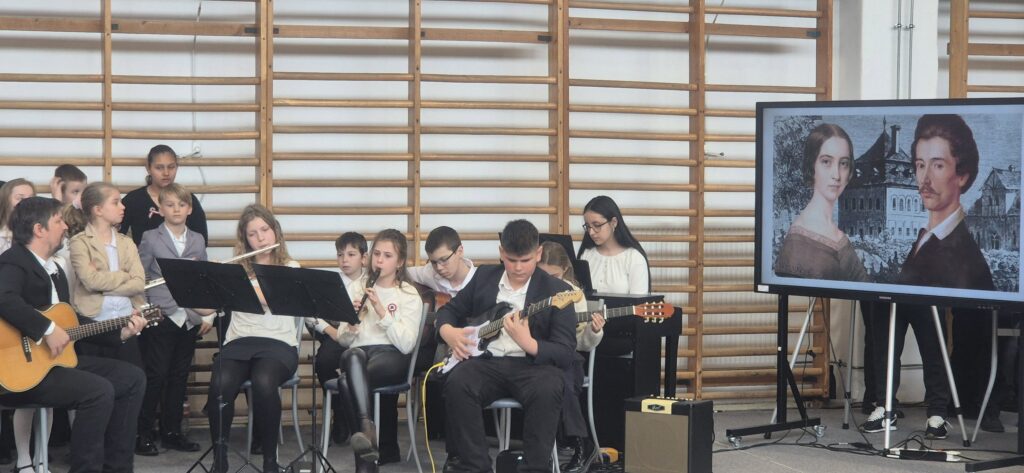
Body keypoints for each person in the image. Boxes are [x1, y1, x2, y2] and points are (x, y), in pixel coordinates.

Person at [862, 114, 995, 439]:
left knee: (933, 348)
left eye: (937, 165)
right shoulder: (923, 235)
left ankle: (937, 413)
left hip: (926, 300)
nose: (924, 178)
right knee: (884, 346)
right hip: (896, 297)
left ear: (961, 175)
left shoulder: (964, 250)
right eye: (920, 165)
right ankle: (884, 406)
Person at [0, 196, 146, 473]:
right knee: (98, 391)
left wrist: (121, 332)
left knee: (132, 378)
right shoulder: (14, 261)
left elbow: (70, 321)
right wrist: (47, 329)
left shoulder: (54, 269)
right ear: (39, 229)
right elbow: (3, 298)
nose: (66, 226)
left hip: (54, 364)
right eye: (58, 221)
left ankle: (117, 468)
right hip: (22, 372)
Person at [437, 219, 576, 473]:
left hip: (533, 367)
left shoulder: (558, 290)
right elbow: (448, 311)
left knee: (549, 387)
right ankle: (475, 466)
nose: (518, 267)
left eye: (525, 260)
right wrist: (449, 332)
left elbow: (565, 353)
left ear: (538, 253)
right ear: (501, 252)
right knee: (458, 382)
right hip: (487, 362)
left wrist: (529, 343)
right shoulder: (483, 277)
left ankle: (535, 469)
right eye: (511, 260)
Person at [207, 204, 301, 473]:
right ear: (245, 239)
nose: (261, 238)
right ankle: (220, 458)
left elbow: (271, 298)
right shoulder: (236, 270)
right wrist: (206, 282)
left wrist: (234, 284)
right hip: (239, 342)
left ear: (275, 231)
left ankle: (270, 460)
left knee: (264, 381)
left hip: (278, 344)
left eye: (265, 230)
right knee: (220, 383)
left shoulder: (290, 267)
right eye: (252, 234)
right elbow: (203, 309)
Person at [323, 229, 424, 473]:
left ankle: (366, 461)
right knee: (351, 355)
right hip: (358, 355)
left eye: (387, 256)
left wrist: (381, 312)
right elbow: (344, 340)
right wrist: (352, 324)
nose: (379, 261)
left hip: (392, 355)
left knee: (346, 382)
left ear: (400, 262)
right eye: (376, 254)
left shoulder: (408, 294)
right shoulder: (357, 287)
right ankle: (368, 432)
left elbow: (406, 344)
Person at [135, 184, 213, 456]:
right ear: (160, 208)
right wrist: (145, 310)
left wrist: (208, 313)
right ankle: (143, 433)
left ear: (189, 209)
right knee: (156, 375)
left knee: (179, 376)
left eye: (181, 205)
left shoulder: (197, 240)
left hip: (189, 317)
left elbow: (203, 279)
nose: (176, 210)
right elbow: (141, 277)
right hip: (161, 314)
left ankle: (172, 432)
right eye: (170, 205)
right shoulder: (150, 237)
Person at [405, 226, 478, 470]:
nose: (439, 268)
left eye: (444, 260)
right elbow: (401, 273)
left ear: (460, 251)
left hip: (472, 348)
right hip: (442, 346)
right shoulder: (431, 273)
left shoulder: (480, 280)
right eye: (434, 262)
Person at [538, 242, 604, 473]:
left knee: (561, 378)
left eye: (554, 276)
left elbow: (582, 344)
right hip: (537, 357)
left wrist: (594, 331)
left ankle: (580, 443)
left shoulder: (574, 295)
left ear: (565, 270)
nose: (549, 281)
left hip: (567, 358)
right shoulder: (529, 289)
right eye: (543, 275)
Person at [774, 123, 869, 282]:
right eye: (826, 162)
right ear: (812, 166)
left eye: (843, 163)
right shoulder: (799, 240)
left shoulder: (837, 234)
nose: (836, 175)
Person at [68, 182, 147, 369]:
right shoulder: (79, 242)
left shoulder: (127, 243)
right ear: (98, 210)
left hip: (127, 322)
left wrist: (104, 287)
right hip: (93, 327)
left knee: (134, 377)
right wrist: (123, 275)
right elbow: (91, 281)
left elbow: (138, 283)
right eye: (116, 202)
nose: (123, 207)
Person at [310, 231, 368, 446]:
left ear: (364, 258)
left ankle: (362, 418)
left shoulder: (372, 282)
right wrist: (330, 331)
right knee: (323, 362)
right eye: (340, 255)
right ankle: (339, 411)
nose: (345, 260)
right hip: (336, 336)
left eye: (351, 254)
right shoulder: (330, 282)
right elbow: (310, 313)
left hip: (364, 338)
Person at [119, 144, 208, 246]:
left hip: (183, 256)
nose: (166, 173)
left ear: (177, 167)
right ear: (148, 168)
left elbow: (202, 241)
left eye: (171, 167)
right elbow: (116, 237)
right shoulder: (133, 200)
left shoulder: (188, 199)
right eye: (159, 168)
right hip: (144, 256)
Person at [577, 195, 650, 294]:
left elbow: (639, 301)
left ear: (613, 222)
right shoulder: (586, 255)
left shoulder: (634, 258)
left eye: (597, 225)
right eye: (588, 226)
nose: (591, 232)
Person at [0, 179, 36, 253]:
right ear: (6, 200)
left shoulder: (40, 231)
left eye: (31, 198)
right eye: (20, 198)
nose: (27, 203)